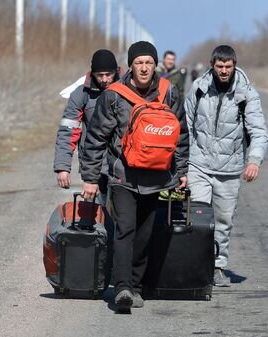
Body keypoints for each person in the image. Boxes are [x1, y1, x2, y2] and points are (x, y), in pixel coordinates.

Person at [80, 41, 188, 311]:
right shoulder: (114, 95)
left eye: (148, 63)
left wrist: (183, 171)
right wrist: (91, 178)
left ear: (155, 65)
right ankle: (123, 287)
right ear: (130, 66)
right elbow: (95, 139)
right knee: (125, 229)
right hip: (122, 176)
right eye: (138, 63)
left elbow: (181, 134)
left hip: (157, 177)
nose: (143, 68)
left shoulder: (168, 92)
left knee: (144, 234)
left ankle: (136, 287)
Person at [184, 45, 268, 287]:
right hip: (198, 164)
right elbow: (186, 124)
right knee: (197, 217)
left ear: (234, 66)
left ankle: (217, 266)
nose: (223, 71)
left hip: (229, 170)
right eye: (219, 66)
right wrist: (183, 162)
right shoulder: (199, 89)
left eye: (228, 67)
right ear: (212, 65)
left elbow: (259, 131)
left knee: (223, 221)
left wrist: (253, 161)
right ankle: (195, 266)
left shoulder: (247, 94)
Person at [53, 49, 120, 204]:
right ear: (92, 73)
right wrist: (63, 167)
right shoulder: (81, 94)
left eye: (108, 74)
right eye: (99, 75)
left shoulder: (129, 87)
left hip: (124, 162)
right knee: (97, 213)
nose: (104, 79)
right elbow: (68, 131)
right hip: (93, 164)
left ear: (116, 71)